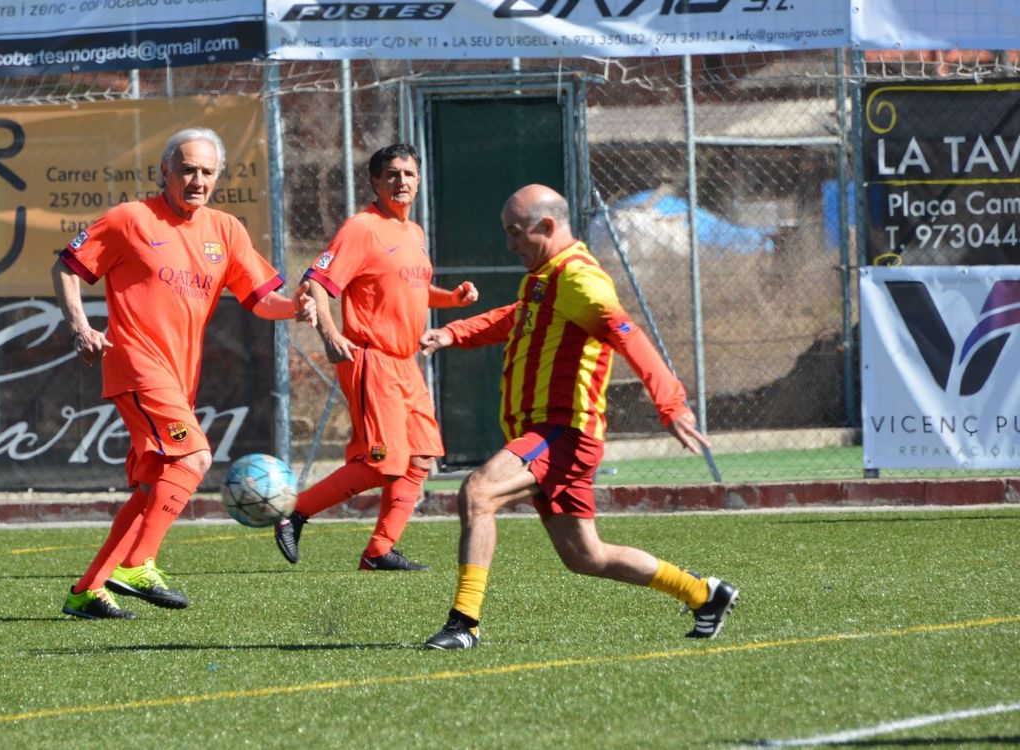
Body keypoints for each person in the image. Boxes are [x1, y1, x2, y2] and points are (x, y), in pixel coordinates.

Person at [419, 184, 737, 649]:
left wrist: (670, 403)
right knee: (585, 555)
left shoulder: (580, 279)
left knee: (479, 492)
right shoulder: (545, 276)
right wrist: (456, 332)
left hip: (563, 431)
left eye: (515, 232)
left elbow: (627, 334)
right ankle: (703, 594)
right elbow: (519, 317)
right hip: (547, 433)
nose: (509, 244)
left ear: (547, 226)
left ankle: (463, 624)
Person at [52, 127, 316, 619]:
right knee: (194, 456)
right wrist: (80, 327)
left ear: (218, 177)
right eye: (188, 170)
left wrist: (295, 308)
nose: (197, 181)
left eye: (207, 172)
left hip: (178, 377)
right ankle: (138, 563)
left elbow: (261, 300)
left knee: (153, 485)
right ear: (165, 172)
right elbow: (67, 267)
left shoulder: (226, 230)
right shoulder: (130, 219)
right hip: (136, 363)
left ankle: (87, 591)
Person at [273, 143, 479, 571]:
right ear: (375, 182)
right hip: (371, 359)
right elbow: (316, 283)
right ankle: (295, 512)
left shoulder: (414, 232)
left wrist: (452, 300)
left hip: (406, 362)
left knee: (420, 457)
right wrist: (330, 334)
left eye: (409, 174)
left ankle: (379, 551)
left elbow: (411, 288)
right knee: (384, 463)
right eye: (392, 174)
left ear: (418, 181)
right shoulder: (362, 228)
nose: (401, 181)